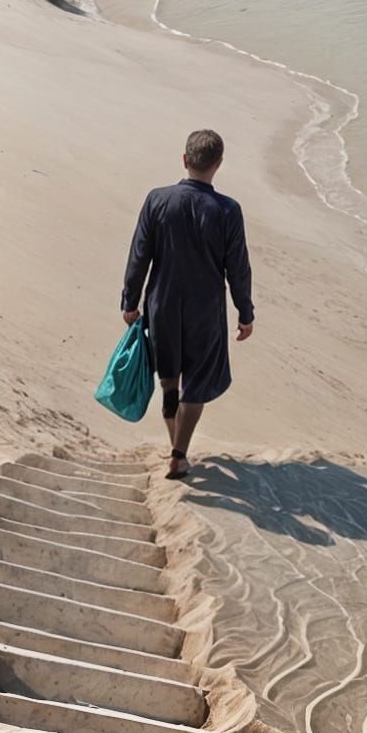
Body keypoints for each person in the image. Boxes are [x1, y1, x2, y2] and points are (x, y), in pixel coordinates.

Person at [120, 128, 254, 479]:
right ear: (218, 164)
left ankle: (174, 445)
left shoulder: (157, 199)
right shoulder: (228, 210)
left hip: (162, 304)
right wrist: (245, 312)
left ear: (185, 160)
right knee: (196, 383)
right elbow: (237, 268)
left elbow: (139, 256)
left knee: (170, 381)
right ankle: (179, 453)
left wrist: (130, 301)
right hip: (205, 310)